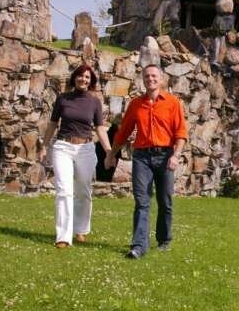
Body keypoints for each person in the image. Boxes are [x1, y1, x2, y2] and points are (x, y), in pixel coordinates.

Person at [105, 64, 188, 259]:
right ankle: (139, 246)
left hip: (166, 155)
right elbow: (123, 132)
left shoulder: (173, 102)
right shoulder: (136, 104)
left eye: (154, 76)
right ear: (143, 80)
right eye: (147, 76)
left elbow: (181, 133)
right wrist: (111, 155)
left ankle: (164, 239)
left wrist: (176, 155)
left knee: (164, 200)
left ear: (161, 79)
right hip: (142, 156)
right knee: (142, 201)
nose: (150, 79)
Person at [40, 64, 112, 248]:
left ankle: (80, 230)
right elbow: (53, 123)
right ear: (75, 78)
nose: (83, 79)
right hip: (63, 146)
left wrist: (109, 151)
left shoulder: (94, 101)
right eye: (80, 76)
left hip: (86, 149)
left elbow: (100, 129)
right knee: (64, 190)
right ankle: (63, 237)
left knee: (83, 191)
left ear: (91, 81)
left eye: (87, 77)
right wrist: (44, 145)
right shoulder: (63, 99)